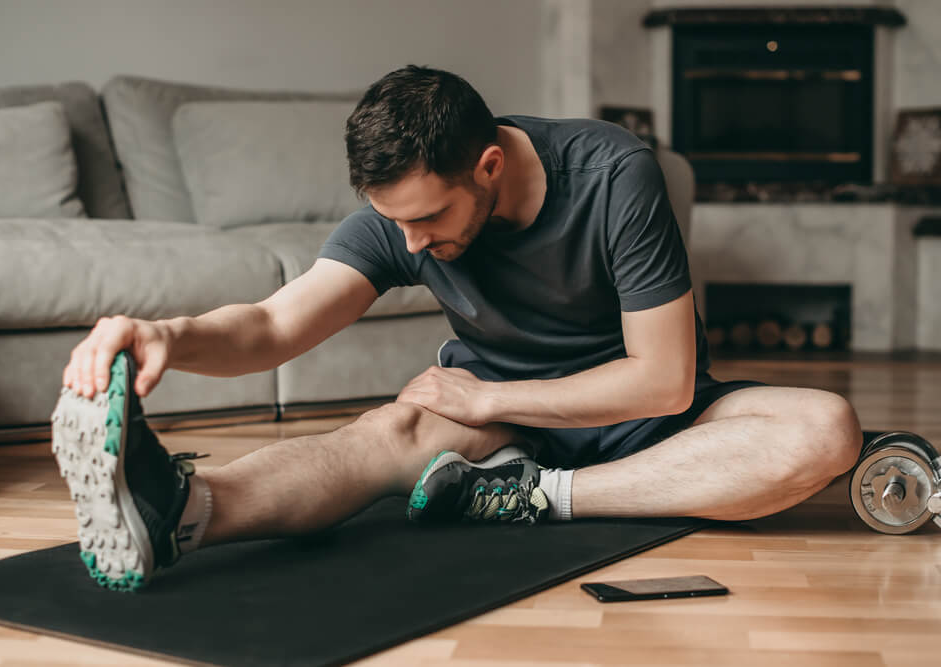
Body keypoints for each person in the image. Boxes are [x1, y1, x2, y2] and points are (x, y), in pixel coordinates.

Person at [53, 65, 863, 592]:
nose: (410, 244)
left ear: (489, 165)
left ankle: (534, 496)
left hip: (652, 420)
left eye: (429, 218)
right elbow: (271, 324)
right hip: (501, 416)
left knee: (826, 428)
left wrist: (490, 398)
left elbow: (665, 379)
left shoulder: (617, 175)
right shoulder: (405, 218)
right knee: (392, 427)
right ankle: (183, 510)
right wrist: (168, 335)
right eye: (392, 222)